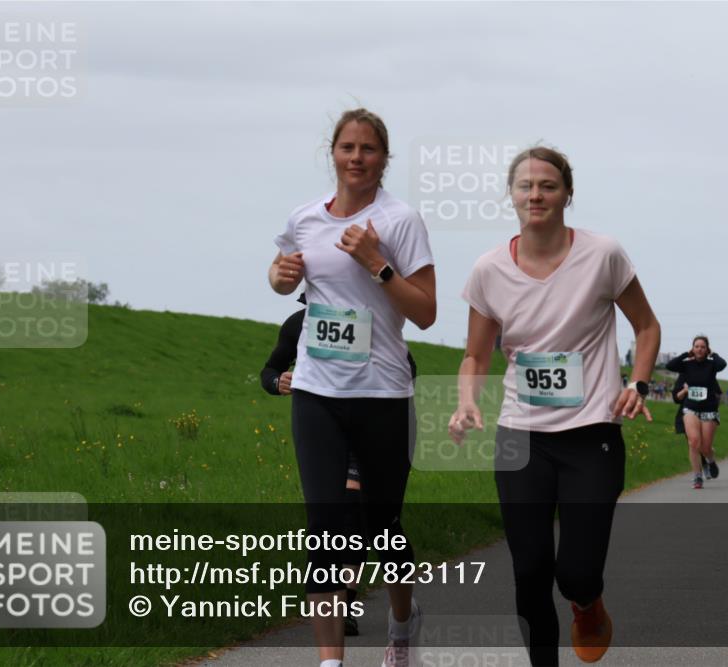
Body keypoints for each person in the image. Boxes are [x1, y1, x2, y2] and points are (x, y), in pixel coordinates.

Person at [448, 146, 661, 666]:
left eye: (547, 185)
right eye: (525, 185)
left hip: (592, 435)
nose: (535, 194)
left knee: (577, 574)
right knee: (529, 571)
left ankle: (588, 605)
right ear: (511, 195)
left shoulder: (603, 255)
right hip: (521, 437)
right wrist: (466, 402)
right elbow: (475, 355)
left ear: (567, 193)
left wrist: (638, 382)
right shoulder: (489, 270)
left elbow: (647, 327)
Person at [269, 108, 436, 667]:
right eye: (347, 147)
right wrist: (279, 277)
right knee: (324, 526)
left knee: (381, 528)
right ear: (332, 153)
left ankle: (404, 623)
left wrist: (377, 265)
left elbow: (428, 313)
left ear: (385, 158)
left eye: (368, 149)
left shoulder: (401, 220)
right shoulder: (305, 217)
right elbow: (281, 269)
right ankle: (330, 662)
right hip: (318, 391)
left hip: (382, 392)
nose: (357, 158)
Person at [260, 294, 420, 638]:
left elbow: (409, 368)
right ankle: (344, 602)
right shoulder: (298, 324)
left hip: (378, 422)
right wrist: (278, 381)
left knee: (381, 523)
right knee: (344, 510)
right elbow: (270, 369)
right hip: (329, 425)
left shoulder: (377, 320)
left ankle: (402, 615)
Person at [666, 336, 726, 489]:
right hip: (690, 407)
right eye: (696, 346)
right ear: (692, 348)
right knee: (693, 442)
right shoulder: (687, 365)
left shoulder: (712, 365)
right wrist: (686, 354)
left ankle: (710, 460)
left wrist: (714, 355)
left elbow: (722, 364)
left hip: (709, 409)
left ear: (707, 350)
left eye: (702, 347)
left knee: (705, 447)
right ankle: (697, 476)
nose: (699, 349)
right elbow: (670, 365)